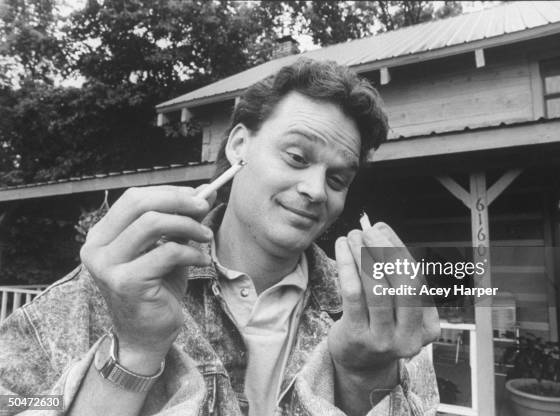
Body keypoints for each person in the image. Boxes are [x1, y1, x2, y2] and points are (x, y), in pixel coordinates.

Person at [0, 58, 440, 416]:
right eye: (296, 156)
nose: (314, 189)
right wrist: (133, 354)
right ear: (238, 147)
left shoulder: (380, 321)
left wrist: (360, 382)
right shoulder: (114, 286)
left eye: (338, 179)